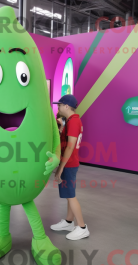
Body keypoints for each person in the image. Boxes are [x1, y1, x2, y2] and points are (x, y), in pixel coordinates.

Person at [50, 94, 90, 240]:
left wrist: (60, 167)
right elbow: (66, 142)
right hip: (71, 163)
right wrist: (61, 129)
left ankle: (82, 227)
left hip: (69, 164)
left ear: (66, 106)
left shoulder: (74, 122)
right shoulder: (72, 121)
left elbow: (70, 147)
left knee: (71, 196)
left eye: (59, 105)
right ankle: (68, 222)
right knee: (69, 195)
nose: (58, 108)